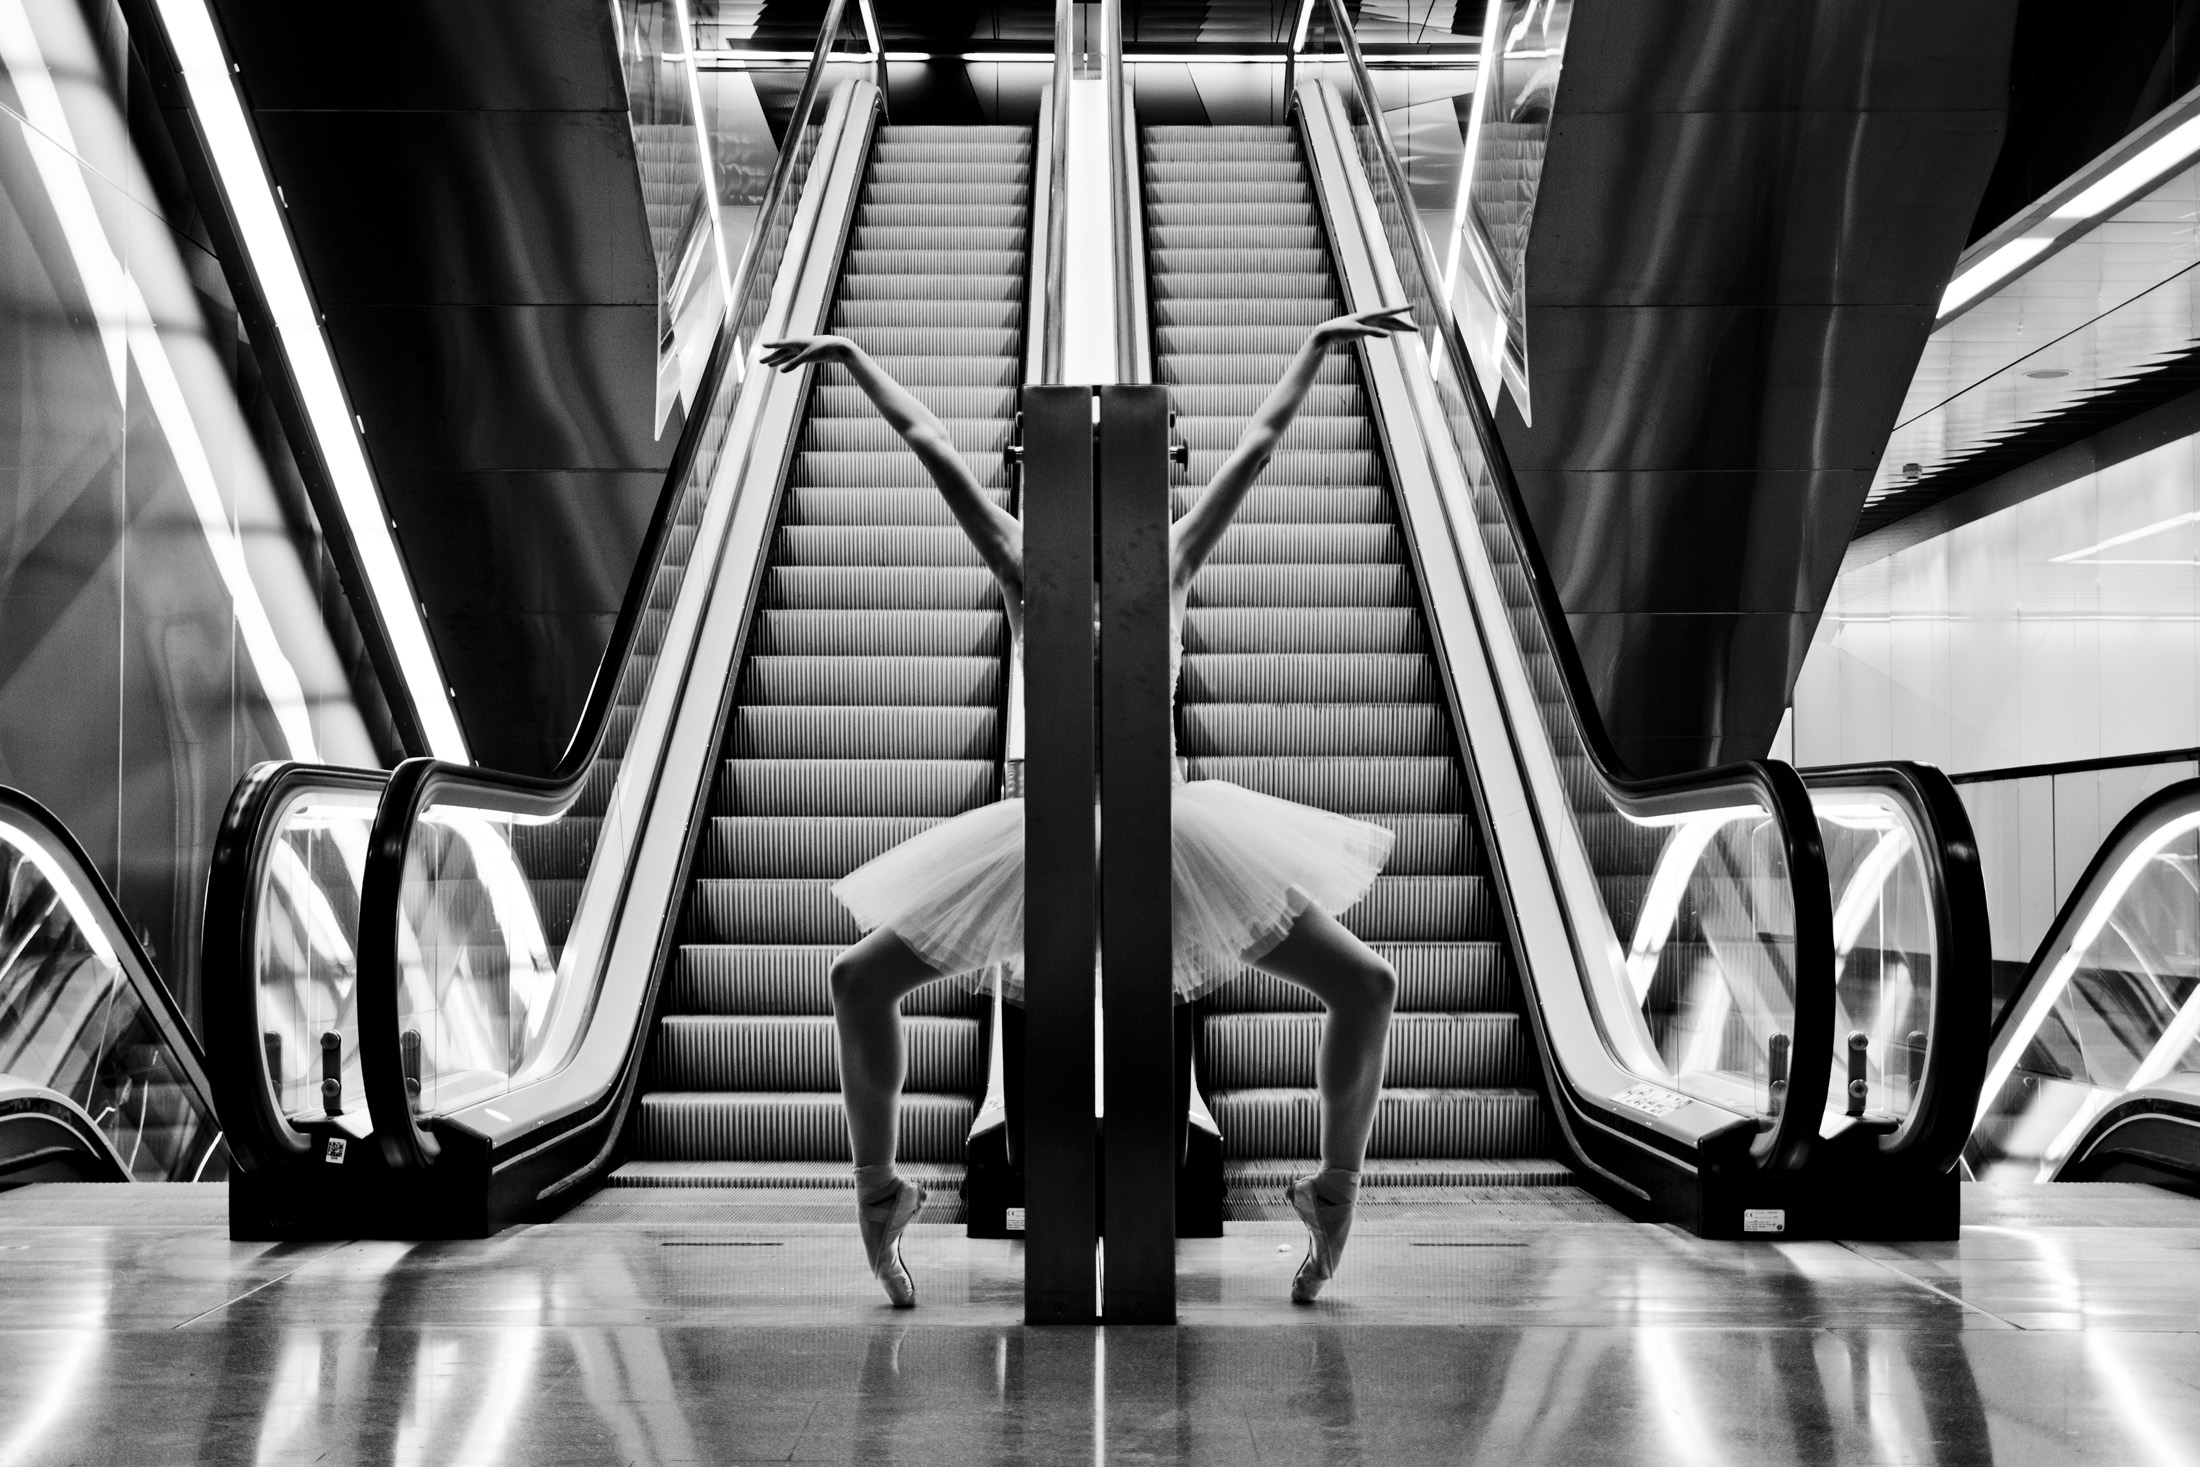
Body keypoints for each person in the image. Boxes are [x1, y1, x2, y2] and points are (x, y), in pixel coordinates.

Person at [761, 306, 1415, 1308]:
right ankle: (878, 1191)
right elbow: (932, 448)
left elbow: (1260, 443)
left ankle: (1332, 1193)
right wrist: (851, 360)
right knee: (858, 979)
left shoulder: (1155, 554)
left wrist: (1320, 345)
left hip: (1158, 834)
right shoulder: (1041, 561)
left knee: (1365, 983)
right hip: (1066, 834)